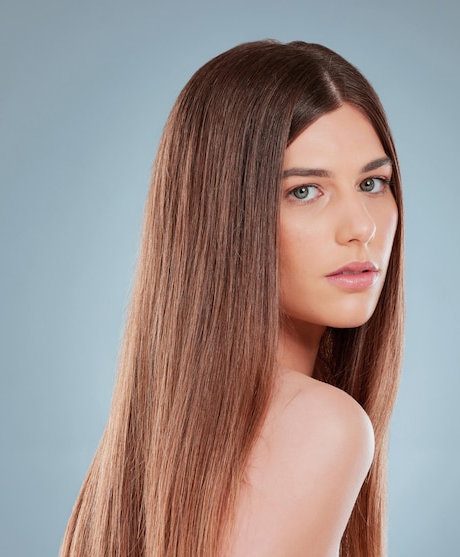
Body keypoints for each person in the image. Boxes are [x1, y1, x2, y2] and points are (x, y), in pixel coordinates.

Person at [61, 39, 404, 557]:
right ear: (223, 218)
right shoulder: (322, 429)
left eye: (373, 183)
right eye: (304, 191)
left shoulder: (132, 467)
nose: (361, 226)